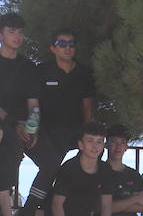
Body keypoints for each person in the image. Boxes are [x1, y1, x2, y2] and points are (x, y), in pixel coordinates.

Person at [29, 28, 95, 196]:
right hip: (45, 131)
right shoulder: (41, 71)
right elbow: (34, 105)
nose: (67, 47)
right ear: (53, 48)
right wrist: (32, 129)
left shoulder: (84, 73)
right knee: (50, 165)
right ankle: (32, 210)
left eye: (71, 44)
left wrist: (87, 135)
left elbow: (87, 107)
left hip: (73, 132)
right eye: (62, 43)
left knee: (81, 167)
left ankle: (48, 209)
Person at [0, 12, 39, 158]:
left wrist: (33, 127)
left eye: (20, 32)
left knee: (51, 161)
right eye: (11, 32)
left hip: (26, 125)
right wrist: (15, 124)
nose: (17, 37)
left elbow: (33, 104)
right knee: (14, 152)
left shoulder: (29, 66)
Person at [45, 123, 112, 216]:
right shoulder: (69, 168)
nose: (95, 146)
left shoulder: (105, 169)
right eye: (90, 141)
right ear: (81, 144)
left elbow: (107, 205)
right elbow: (57, 205)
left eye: (99, 141)